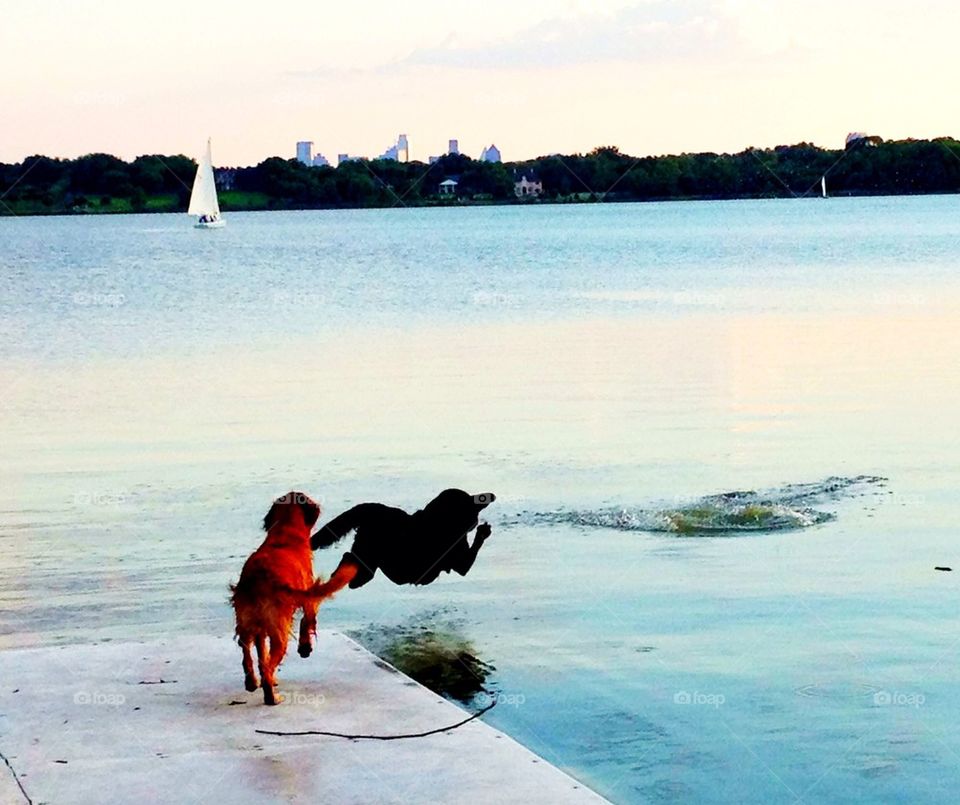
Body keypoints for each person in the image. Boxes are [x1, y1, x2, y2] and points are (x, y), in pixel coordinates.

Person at [310, 489, 495, 596]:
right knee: (372, 514)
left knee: (370, 512)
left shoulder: (447, 527)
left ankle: (354, 564)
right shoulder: (455, 539)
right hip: (408, 569)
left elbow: (481, 500)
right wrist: (479, 539)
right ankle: (356, 567)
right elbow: (463, 568)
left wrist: (482, 502)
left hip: (402, 556)